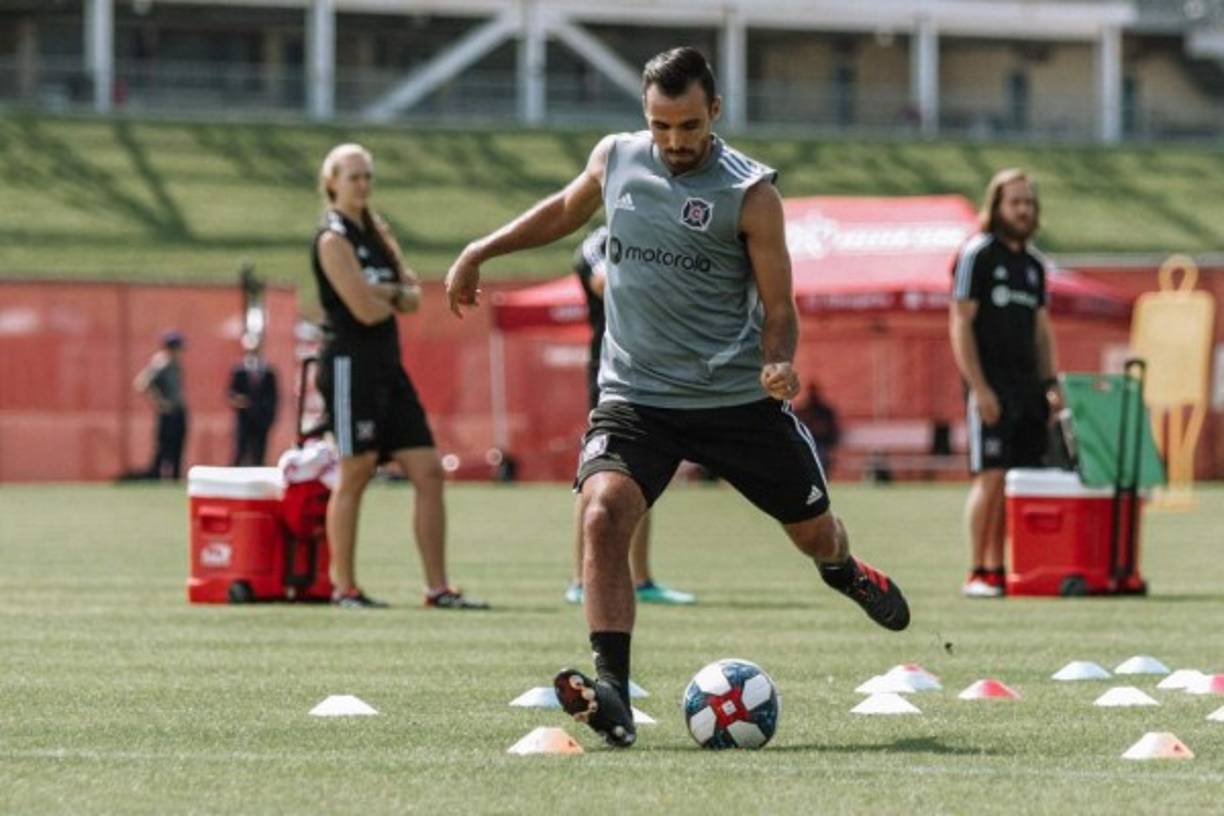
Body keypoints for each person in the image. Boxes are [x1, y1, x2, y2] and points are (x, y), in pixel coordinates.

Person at [446, 47, 909, 748]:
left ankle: (846, 570)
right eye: (661, 126)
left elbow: (779, 306)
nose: (674, 142)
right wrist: (483, 247)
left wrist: (779, 361)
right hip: (636, 397)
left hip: (734, 402)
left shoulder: (752, 194)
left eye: (688, 125)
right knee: (602, 515)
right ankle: (613, 692)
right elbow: (564, 212)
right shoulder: (617, 159)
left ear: (715, 112)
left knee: (815, 535)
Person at [312, 142, 487, 610]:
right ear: (332, 183)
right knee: (357, 470)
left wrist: (382, 289)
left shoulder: (374, 232)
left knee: (428, 471)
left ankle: (438, 588)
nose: (363, 185)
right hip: (351, 366)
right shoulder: (332, 237)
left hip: (389, 367)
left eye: (367, 176)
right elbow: (365, 311)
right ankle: (344, 588)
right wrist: (386, 293)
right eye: (353, 177)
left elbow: (412, 297)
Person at [565, 225, 696, 607]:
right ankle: (581, 579)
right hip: (612, 374)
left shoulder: (660, 233)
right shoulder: (599, 241)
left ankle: (641, 579)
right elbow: (604, 282)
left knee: (643, 471)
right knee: (594, 475)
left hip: (653, 371)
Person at [949, 168, 1061, 599]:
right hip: (990, 386)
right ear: (996, 206)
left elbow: (1042, 330)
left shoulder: (1034, 266)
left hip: (1028, 389)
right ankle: (980, 570)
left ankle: (1006, 570)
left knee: (1021, 481)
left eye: (1029, 202)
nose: (1023, 209)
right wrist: (979, 388)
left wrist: (1050, 383)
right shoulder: (978, 254)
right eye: (1015, 202)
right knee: (991, 477)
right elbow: (960, 323)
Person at [133, 329, 188, 480]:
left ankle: (174, 477)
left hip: (178, 411)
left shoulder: (175, 364)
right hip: (168, 413)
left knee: (178, 445)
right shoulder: (161, 363)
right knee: (165, 446)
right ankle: (156, 476)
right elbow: (142, 383)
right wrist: (160, 402)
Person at [227, 333, 279, 466]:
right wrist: (238, 400)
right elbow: (231, 392)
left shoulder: (268, 371)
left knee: (259, 452)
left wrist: (270, 416)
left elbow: (274, 397)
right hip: (244, 417)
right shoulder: (239, 370)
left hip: (262, 418)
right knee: (240, 449)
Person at [793, 382, 840, 473]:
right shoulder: (802, 411)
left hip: (821, 443)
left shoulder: (825, 412)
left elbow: (831, 431)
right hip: (805, 443)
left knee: (819, 454)